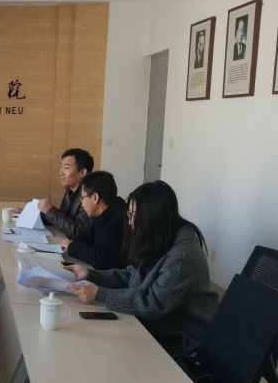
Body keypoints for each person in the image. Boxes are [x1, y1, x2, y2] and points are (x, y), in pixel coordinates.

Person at [66, 180, 219, 355]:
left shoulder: (182, 255)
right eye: (129, 215)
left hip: (179, 337)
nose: (131, 223)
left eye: (134, 216)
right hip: (152, 325)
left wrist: (100, 294)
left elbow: (152, 304)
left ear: (153, 218)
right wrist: (91, 274)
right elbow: (130, 275)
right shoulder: (160, 237)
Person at [60, 170, 127, 270]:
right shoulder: (106, 213)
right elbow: (88, 236)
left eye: (82, 198)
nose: (82, 204)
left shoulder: (119, 219)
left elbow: (103, 259)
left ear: (95, 197)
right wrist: (72, 243)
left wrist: (72, 247)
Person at [38, 148, 94, 239]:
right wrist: (34, 214)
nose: (61, 173)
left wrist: (50, 211)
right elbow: (63, 220)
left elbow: (77, 232)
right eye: (61, 167)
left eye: (66, 168)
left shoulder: (89, 195)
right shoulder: (70, 190)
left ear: (82, 172)